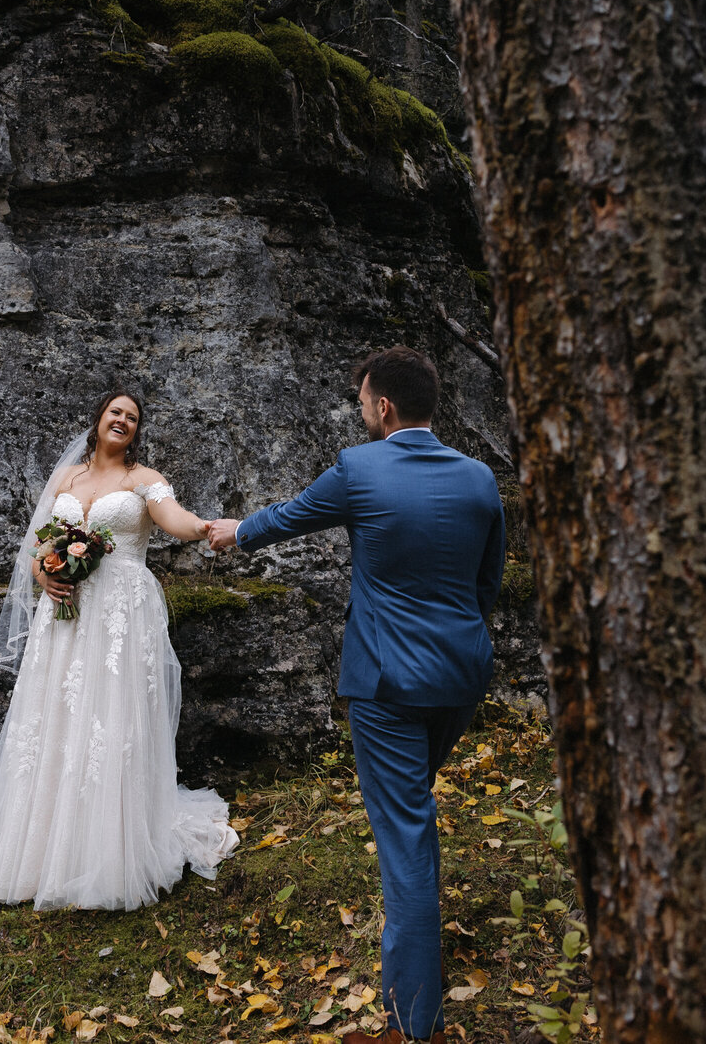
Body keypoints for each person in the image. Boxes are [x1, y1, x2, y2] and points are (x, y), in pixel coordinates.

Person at [208, 347, 506, 1044]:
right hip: (461, 677)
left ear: (382, 408)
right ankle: (420, 959)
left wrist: (233, 530)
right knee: (413, 810)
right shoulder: (480, 479)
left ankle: (413, 1023)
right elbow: (486, 585)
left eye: (363, 402)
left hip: (387, 685)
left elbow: (289, 516)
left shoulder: (360, 468)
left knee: (403, 835)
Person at [0, 391, 238, 911]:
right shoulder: (65, 479)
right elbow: (37, 547)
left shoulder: (142, 480)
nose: (124, 421)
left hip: (119, 616)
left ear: (137, 431)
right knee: (56, 716)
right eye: (116, 412)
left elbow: (172, 519)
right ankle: (40, 854)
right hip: (64, 612)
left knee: (109, 719)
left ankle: (107, 853)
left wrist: (205, 529)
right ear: (99, 419)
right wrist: (44, 572)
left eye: (132, 418)